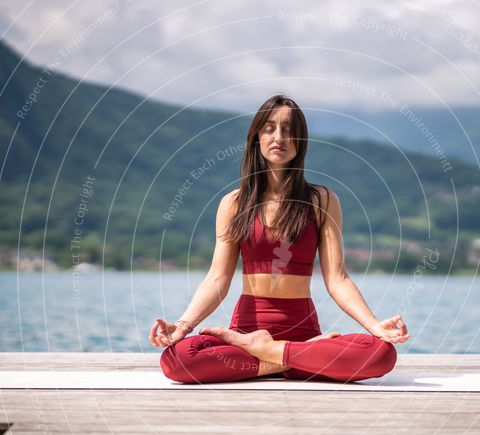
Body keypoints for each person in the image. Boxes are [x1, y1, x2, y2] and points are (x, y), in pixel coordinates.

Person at [150, 94, 410, 383]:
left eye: (289, 129)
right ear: (256, 138)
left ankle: (271, 354)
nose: (279, 137)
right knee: (177, 360)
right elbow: (217, 278)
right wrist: (183, 326)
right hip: (247, 333)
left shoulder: (321, 200)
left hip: (303, 333)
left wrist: (375, 326)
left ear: (301, 140)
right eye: (270, 128)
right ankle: (292, 361)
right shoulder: (234, 204)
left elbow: (337, 279)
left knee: (381, 353)